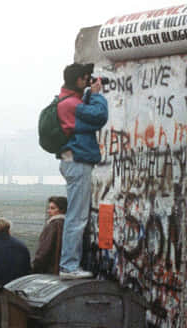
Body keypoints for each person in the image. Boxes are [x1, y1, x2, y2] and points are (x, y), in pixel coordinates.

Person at [55, 62, 107, 279]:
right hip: (77, 163)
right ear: (78, 80)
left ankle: (70, 264)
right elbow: (98, 116)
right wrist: (95, 94)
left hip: (73, 161)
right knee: (76, 217)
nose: (88, 81)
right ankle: (68, 266)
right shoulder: (71, 105)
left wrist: (87, 93)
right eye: (86, 78)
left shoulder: (67, 100)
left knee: (76, 216)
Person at [32, 196, 67, 274]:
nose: (49, 211)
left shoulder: (53, 225)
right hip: (63, 270)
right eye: (49, 208)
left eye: (52, 208)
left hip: (50, 271)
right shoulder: (69, 225)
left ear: (62, 209)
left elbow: (44, 250)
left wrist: (35, 267)